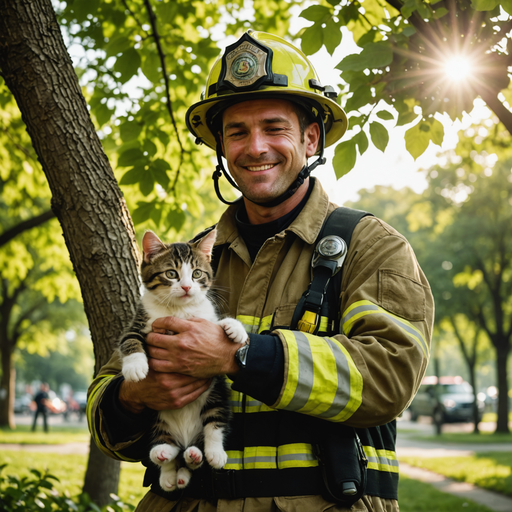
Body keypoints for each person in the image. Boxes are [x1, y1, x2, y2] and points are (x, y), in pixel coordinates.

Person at [87, 31, 434, 512]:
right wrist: (134, 396)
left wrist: (239, 357)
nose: (255, 147)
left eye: (274, 127)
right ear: (222, 148)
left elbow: (390, 377)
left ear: (310, 137)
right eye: (236, 132)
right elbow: (105, 416)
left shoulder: (372, 246)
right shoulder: (188, 264)